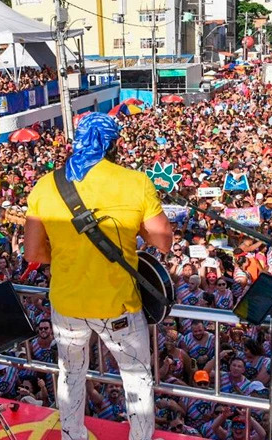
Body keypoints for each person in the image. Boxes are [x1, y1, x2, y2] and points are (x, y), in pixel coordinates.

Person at [24, 113, 172, 440]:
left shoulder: (46, 185)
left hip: (67, 307)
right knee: (136, 378)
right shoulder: (135, 182)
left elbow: (33, 253)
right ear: (113, 145)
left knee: (71, 374)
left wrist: (65, 255)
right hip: (117, 306)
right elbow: (162, 239)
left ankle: (71, 435)